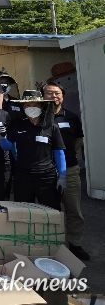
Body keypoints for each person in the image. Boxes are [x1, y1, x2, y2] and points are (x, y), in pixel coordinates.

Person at [42, 81, 89, 261]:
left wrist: (73, 159)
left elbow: (78, 141)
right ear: (42, 96)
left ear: (62, 96)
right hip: (46, 171)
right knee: (50, 211)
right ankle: (53, 245)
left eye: (57, 93)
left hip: (69, 170)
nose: (53, 96)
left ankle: (75, 244)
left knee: (73, 209)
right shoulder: (39, 118)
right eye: (49, 93)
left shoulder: (71, 117)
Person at [1, 90, 65, 211]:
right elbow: (6, 146)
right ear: (23, 107)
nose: (31, 108)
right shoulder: (16, 125)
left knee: (51, 212)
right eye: (28, 105)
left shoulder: (51, 126)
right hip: (23, 176)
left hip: (46, 177)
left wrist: (62, 175)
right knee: (24, 212)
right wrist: (2, 137)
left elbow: (59, 152)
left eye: (35, 105)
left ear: (41, 106)